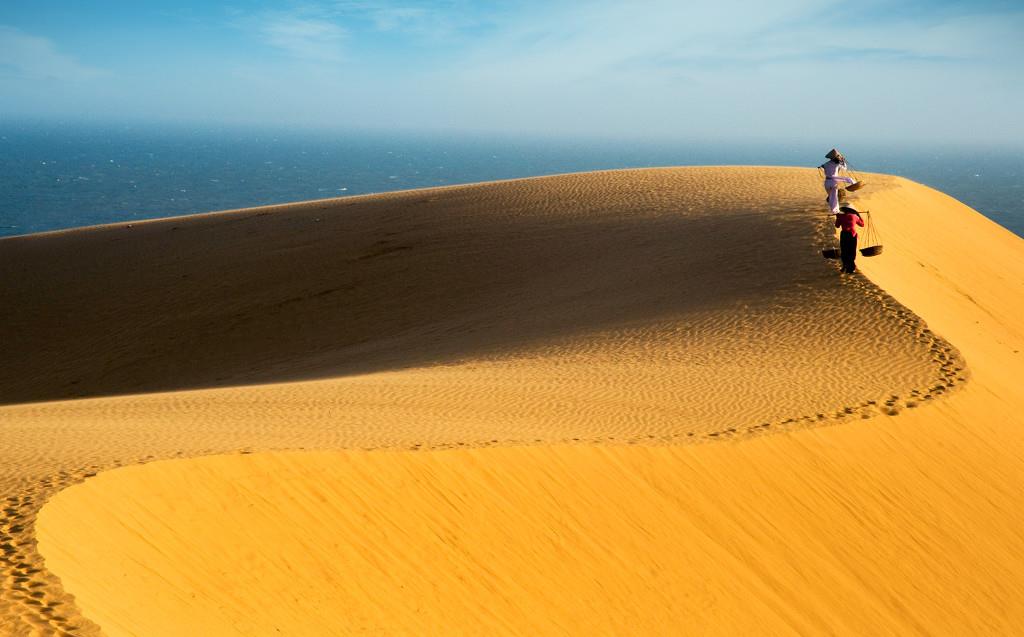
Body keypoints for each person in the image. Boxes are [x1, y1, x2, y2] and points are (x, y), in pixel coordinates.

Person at [820, 148, 855, 214]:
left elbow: (823, 166)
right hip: (834, 182)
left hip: (827, 182)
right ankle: (836, 211)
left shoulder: (826, 164)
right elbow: (844, 168)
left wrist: (822, 166)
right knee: (834, 197)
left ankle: (833, 210)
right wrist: (843, 162)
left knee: (831, 197)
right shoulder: (837, 164)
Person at [835, 203, 865, 273]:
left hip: (844, 235)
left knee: (844, 251)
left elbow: (837, 226)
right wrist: (858, 215)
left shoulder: (841, 217)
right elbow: (862, 224)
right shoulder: (854, 216)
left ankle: (845, 266)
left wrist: (838, 217)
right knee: (851, 251)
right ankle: (851, 268)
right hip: (852, 235)